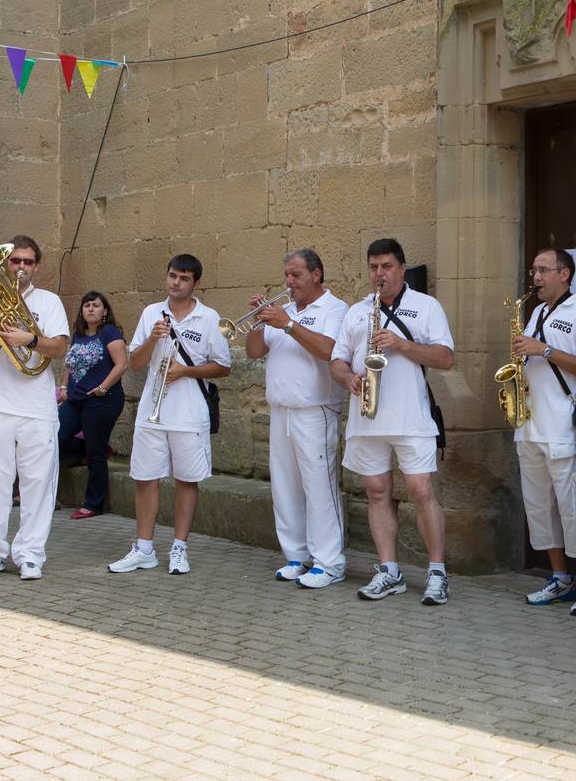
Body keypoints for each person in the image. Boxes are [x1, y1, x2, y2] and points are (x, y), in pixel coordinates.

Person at [330, 239, 454, 605]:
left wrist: (401, 345)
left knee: (420, 491)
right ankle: (388, 571)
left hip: (411, 418)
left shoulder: (426, 306)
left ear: (401, 269)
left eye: (386, 267)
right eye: (373, 267)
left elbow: (445, 358)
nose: (379, 274)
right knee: (376, 492)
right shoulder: (356, 312)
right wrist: (347, 378)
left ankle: (437, 571)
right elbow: (337, 360)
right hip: (367, 418)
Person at [107, 255, 231, 576]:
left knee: (186, 480)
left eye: (184, 278)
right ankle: (144, 548)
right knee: (145, 478)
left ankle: (179, 547)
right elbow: (134, 363)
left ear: (195, 283)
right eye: (173, 276)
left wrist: (186, 370)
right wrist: (152, 338)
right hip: (153, 410)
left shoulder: (208, 317)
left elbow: (223, 366)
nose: (177, 282)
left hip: (189, 413)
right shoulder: (152, 313)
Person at [0, 236, 70, 580]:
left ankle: (31, 554)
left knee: (38, 483)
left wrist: (30, 340)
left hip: (37, 405)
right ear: (6, 264)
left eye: (28, 262)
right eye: (15, 261)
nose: (21, 267)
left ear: (36, 265)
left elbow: (61, 348)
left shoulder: (49, 302)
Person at [244, 249, 349, 588]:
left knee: (320, 487)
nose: (289, 282)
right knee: (285, 486)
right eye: (287, 275)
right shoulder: (283, 310)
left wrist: (288, 325)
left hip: (315, 410)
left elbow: (329, 350)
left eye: (296, 275)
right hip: (281, 410)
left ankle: (330, 562)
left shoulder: (335, 309)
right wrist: (259, 321)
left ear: (316, 274)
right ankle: (296, 556)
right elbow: (254, 352)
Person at [513, 248, 576, 616]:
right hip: (529, 423)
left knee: (571, 507)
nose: (535, 277)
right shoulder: (536, 312)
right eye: (534, 270)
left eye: (543, 270)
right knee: (539, 508)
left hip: (562, 425)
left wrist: (544, 349)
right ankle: (559, 578)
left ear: (565, 274)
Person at [58, 291, 127, 519]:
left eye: (96, 305)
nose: (90, 309)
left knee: (95, 452)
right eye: (86, 305)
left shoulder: (110, 332)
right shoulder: (77, 335)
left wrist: (103, 388)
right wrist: (64, 388)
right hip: (76, 400)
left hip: (102, 401)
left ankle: (94, 503)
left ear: (104, 311)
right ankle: (45, 495)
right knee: (51, 438)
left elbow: (121, 364)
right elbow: (70, 363)